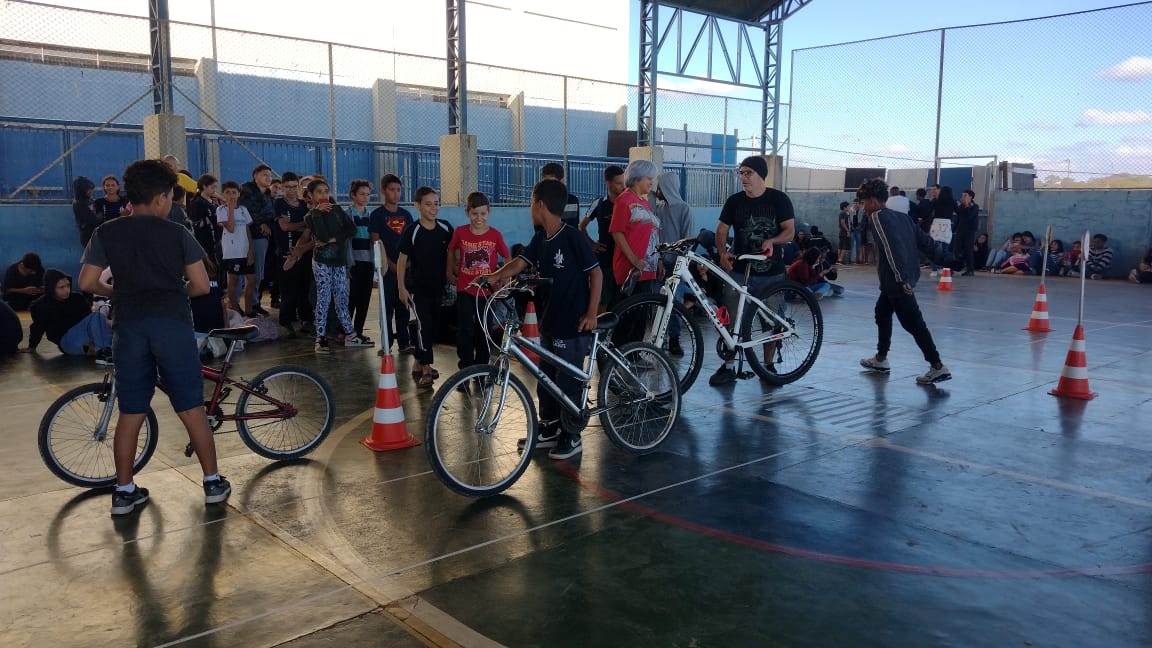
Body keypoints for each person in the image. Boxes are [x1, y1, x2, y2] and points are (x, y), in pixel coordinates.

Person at [77, 158, 230, 516]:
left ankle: (124, 492)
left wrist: (116, 293)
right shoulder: (177, 233)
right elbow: (201, 285)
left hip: (129, 327)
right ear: (162, 198)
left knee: (131, 411)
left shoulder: (107, 231)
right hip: (171, 325)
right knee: (191, 408)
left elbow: (87, 282)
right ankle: (212, 483)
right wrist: (175, 292)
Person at [474, 179, 601, 460]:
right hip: (550, 320)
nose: (530, 208)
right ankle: (550, 426)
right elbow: (521, 262)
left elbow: (596, 273)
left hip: (573, 323)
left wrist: (592, 313)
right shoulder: (541, 238)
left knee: (567, 380)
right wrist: (494, 276)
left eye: (531, 203)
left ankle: (572, 434)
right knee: (546, 378)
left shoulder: (572, 237)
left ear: (540, 205)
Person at [708, 155, 796, 386]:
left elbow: (789, 231)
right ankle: (728, 366)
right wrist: (722, 252)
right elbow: (721, 230)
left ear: (761, 175)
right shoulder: (735, 201)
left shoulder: (778, 199)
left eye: (749, 173)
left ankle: (768, 366)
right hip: (740, 270)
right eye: (741, 173)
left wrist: (772, 241)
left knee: (771, 322)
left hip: (771, 273)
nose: (743, 177)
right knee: (731, 320)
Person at [856, 178, 952, 385]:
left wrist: (901, 278)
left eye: (863, 202)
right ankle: (881, 359)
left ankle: (937, 367)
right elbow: (927, 243)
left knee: (913, 323)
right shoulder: (904, 218)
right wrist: (951, 260)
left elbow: (893, 248)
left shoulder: (877, 217)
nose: (863, 207)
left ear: (873, 200)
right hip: (898, 279)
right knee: (882, 312)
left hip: (897, 281)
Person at [301, 178, 372, 353]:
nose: (324, 195)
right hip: (322, 261)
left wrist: (333, 239)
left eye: (326, 191)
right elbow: (322, 236)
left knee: (342, 298)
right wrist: (318, 213)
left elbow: (351, 230)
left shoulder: (338, 210)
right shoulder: (310, 216)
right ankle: (321, 337)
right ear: (311, 195)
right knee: (324, 298)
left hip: (339, 261)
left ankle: (351, 335)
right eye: (319, 192)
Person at [397, 186, 453, 387]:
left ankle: (418, 361)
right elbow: (402, 261)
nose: (433, 208)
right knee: (424, 324)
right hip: (418, 288)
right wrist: (401, 288)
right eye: (428, 204)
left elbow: (453, 253)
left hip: (439, 288)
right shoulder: (412, 231)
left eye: (436, 203)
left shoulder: (446, 228)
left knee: (433, 325)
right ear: (417, 206)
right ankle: (427, 368)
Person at [447, 191, 509, 369]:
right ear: (467, 212)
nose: (479, 218)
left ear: (488, 212)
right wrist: (449, 272)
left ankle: (481, 369)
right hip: (465, 289)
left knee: (484, 330)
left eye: (483, 213)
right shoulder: (460, 232)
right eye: (474, 213)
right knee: (465, 330)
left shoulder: (495, 235)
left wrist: (504, 278)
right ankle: (466, 368)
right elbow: (451, 250)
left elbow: (507, 257)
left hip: (486, 292)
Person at [27, 268, 113, 364]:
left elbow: (90, 322)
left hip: (86, 339)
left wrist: (93, 340)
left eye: (68, 286)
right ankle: (104, 351)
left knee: (101, 319)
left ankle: (99, 349)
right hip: (67, 342)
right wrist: (32, 346)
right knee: (97, 316)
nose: (66, 290)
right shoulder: (41, 305)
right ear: (51, 288)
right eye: (61, 287)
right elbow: (37, 327)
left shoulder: (77, 298)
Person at [369, 173, 414, 354]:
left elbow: (411, 242)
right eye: (391, 189)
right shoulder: (377, 215)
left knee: (404, 307)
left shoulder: (406, 215)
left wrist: (406, 264)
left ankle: (404, 343)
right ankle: (386, 344)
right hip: (386, 270)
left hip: (405, 269)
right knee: (386, 308)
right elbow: (376, 242)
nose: (396, 193)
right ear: (383, 191)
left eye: (398, 190)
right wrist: (391, 264)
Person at [654, 170, 695, 356]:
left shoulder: (684, 209)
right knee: (659, 301)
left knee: (675, 302)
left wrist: (680, 262)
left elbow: (688, 239)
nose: (657, 190)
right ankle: (658, 338)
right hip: (661, 263)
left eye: (660, 186)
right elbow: (655, 235)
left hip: (677, 264)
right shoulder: (659, 208)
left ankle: (674, 339)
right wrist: (659, 259)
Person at [610, 159, 660, 299]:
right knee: (628, 310)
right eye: (649, 178)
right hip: (631, 270)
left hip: (646, 268)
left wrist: (658, 260)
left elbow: (651, 233)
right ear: (637, 178)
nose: (652, 182)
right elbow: (616, 232)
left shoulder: (644, 202)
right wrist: (634, 260)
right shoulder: (624, 200)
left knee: (643, 310)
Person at [578, 165, 625, 312]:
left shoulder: (628, 203)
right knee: (603, 299)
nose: (622, 186)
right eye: (618, 183)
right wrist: (591, 243)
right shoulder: (599, 204)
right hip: (606, 259)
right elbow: (581, 226)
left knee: (622, 300)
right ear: (607, 183)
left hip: (624, 257)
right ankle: (599, 325)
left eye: (623, 182)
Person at [274, 172, 314, 337]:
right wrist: (304, 223)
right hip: (285, 253)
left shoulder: (304, 204)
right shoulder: (279, 203)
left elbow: (310, 227)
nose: (291, 190)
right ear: (282, 187)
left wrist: (299, 226)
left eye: (294, 187)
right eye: (287, 187)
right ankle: (286, 322)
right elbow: (285, 227)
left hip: (304, 252)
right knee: (288, 291)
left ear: (298, 187)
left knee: (305, 288)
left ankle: (306, 320)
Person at [239, 164, 276, 315]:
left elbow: (271, 214)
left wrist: (268, 224)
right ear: (255, 176)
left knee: (258, 272)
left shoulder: (268, 195)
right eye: (265, 175)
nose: (268, 178)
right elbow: (247, 211)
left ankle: (254, 302)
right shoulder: (247, 192)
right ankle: (240, 304)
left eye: (270, 175)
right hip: (248, 235)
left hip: (262, 236)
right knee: (244, 273)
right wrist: (261, 223)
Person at [217, 180, 257, 317]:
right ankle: (235, 311)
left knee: (252, 279)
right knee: (233, 281)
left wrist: (250, 250)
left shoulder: (243, 210)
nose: (231, 195)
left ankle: (249, 310)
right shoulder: (221, 210)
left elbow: (247, 230)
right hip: (232, 252)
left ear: (239, 194)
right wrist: (230, 208)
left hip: (245, 251)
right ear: (223, 194)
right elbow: (231, 228)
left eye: (234, 192)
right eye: (228, 193)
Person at [345, 179, 376, 345]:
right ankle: (346, 332)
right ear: (353, 195)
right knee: (351, 298)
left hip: (368, 262)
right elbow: (345, 242)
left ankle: (358, 331)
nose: (365, 197)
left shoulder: (371, 216)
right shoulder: (347, 214)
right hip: (354, 262)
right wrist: (347, 264)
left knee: (364, 299)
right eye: (362, 194)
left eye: (368, 194)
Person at [188, 174, 221, 264]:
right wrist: (210, 218)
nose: (214, 190)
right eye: (212, 187)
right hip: (205, 241)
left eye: (215, 187)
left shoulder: (213, 202)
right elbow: (195, 223)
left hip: (216, 240)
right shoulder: (198, 202)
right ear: (204, 186)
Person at [541, 162, 580, 228]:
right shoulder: (540, 201)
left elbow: (574, 226)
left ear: (562, 181)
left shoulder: (572, 200)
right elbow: (539, 229)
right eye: (546, 182)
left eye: (553, 182)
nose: (549, 186)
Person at [928, 185, 956, 276]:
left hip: (936, 224)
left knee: (935, 248)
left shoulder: (936, 200)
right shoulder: (953, 202)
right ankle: (943, 268)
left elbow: (929, 210)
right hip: (947, 224)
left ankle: (934, 269)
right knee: (945, 248)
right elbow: (959, 212)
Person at [953, 189, 979, 276]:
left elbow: (969, 216)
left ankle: (970, 270)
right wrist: (953, 230)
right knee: (956, 250)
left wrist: (967, 206)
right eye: (962, 195)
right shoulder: (961, 207)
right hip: (960, 231)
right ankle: (953, 267)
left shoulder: (975, 207)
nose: (963, 197)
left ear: (970, 197)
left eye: (965, 195)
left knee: (968, 251)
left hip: (969, 232)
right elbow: (958, 218)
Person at [72, 176, 99, 248]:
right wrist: (102, 216)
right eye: (89, 189)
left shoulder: (89, 200)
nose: (91, 191)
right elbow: (92, 220)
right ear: (81, 190)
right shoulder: (79, 203)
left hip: (94, 233)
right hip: (88, 234)